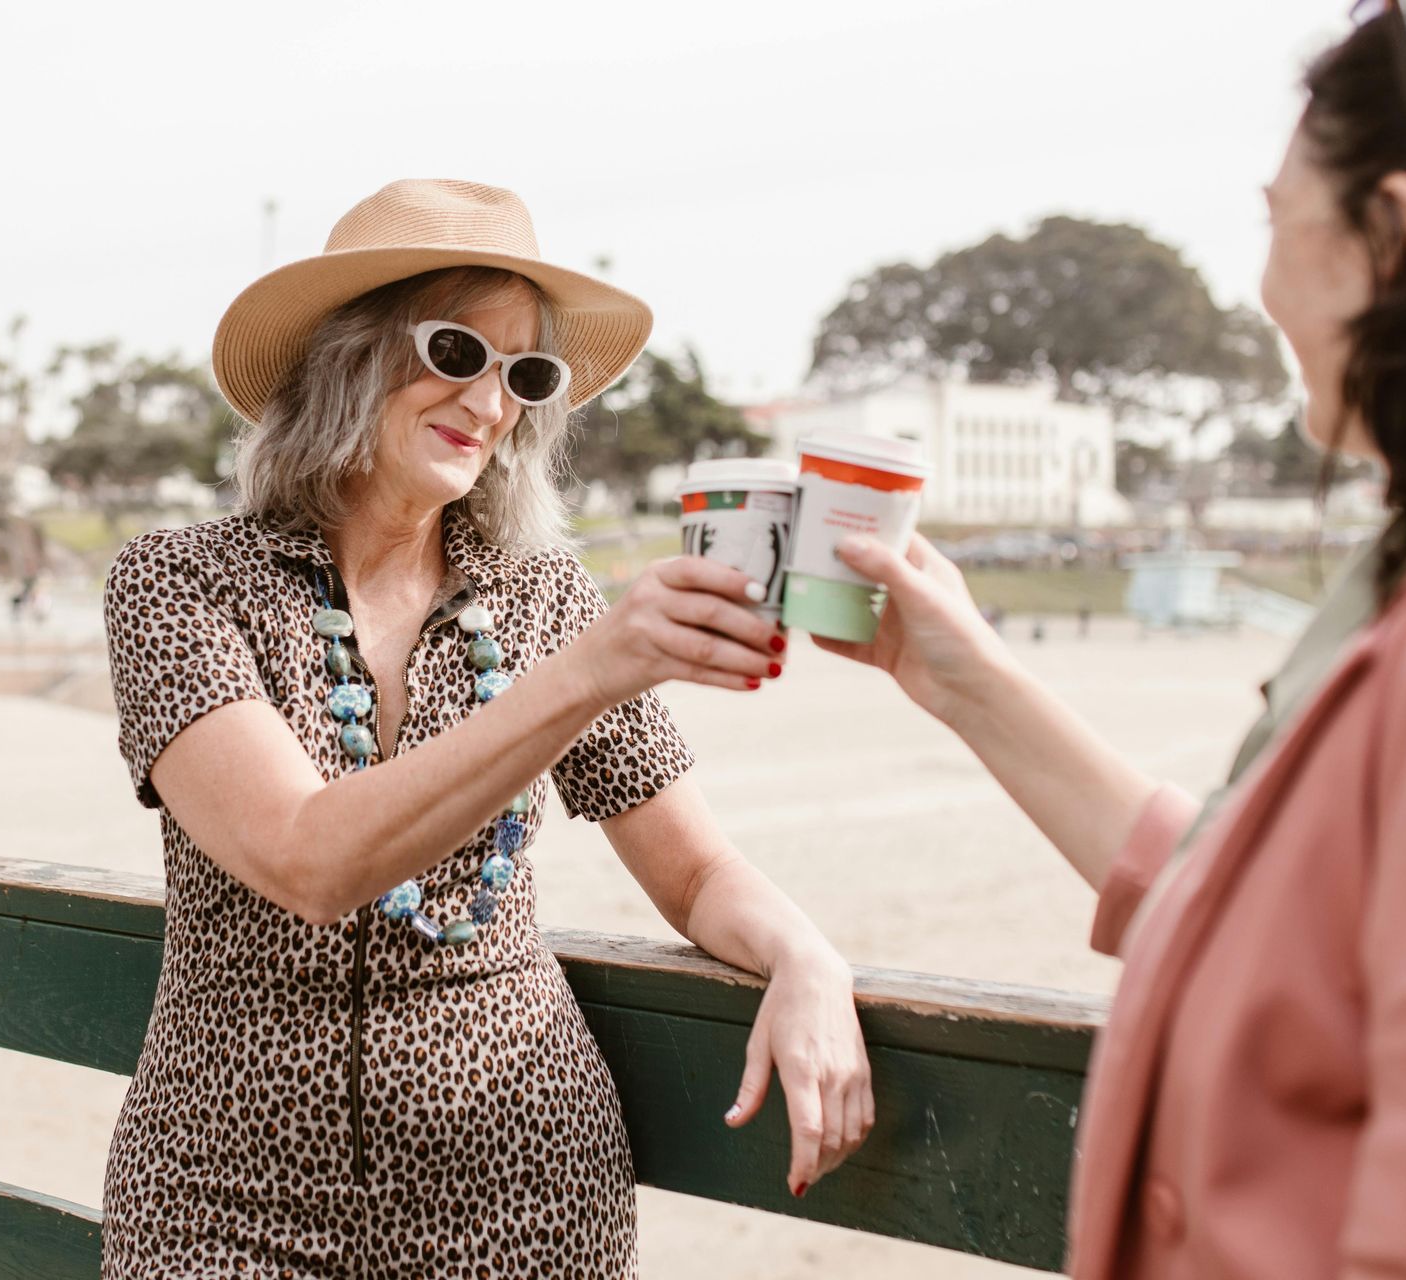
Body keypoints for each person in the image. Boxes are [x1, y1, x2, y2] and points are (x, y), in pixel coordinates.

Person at [818, 3, 1406, 1276]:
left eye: (1276, 220)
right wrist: (964, 676)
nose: (1263, 287)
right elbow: (1261, 910)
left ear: (1393, 231)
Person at [100, 179, 872, 1279]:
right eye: (459, 352)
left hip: (525, 1194)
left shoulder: (546, 598)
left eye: (525, 373)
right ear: (348, 354)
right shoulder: (179, 583)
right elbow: (307, 858)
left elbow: (696, 871)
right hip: (226, 1195)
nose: (495, 402)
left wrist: (807, 956)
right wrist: (586, 674)